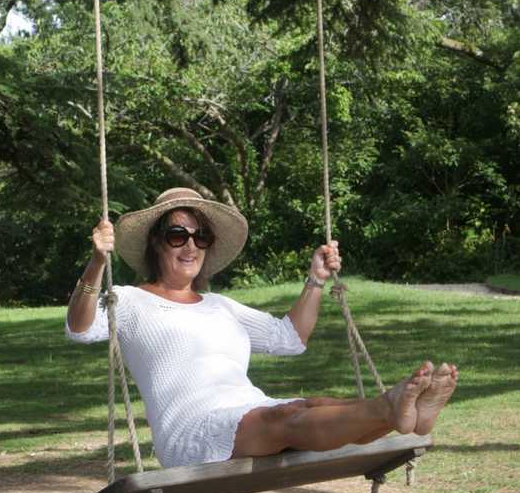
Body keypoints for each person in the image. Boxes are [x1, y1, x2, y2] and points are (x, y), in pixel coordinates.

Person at [66, 187, 458, 468]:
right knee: (284, 417)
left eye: (200, 236)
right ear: (156, 244)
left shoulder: (221, 307)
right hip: (194, 432)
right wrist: (97, 263)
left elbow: (291, 338)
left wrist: (316, 280)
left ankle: (405, 416)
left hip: (248, 411)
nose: (191, 246)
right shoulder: (131, 300)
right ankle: (394, 408)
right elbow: (81, 327)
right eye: (177, 235)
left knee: (311, 405)